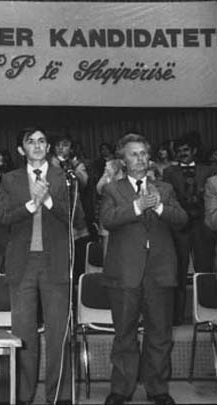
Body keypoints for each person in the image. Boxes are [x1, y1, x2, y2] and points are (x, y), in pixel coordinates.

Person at [100, 133, 187, 405]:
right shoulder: (112, 190)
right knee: (124, 334)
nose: (140, 158)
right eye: (134, 154)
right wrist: (137, 206)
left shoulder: (165, 188)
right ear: (123, 161)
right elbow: (107, 219)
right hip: (125, 272)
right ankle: (121, 389)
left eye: (143, 153)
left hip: (160, 272)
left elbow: (182, 219)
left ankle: (157, 389)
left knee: (159, 334)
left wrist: (158, 206)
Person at [0, 127, 72, 405]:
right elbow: (1, 217)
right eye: (31, 142)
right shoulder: (10, 179)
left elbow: (76, 218)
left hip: (56, 261)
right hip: (22, 262)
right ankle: (22, 394)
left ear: (48, 147)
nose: (37, 146)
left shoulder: (64, 177)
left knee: (58, 332)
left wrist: (48, 200)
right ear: (21, 149)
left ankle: (60, 396)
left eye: (42, 141)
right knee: (23, 333)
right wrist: (31, 205)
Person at [162, 133, 216, 325]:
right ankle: (177, 317)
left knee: (205, 270)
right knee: (178, 271)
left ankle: (208, 317)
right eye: (178, 151)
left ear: (194, 150)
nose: (182, 154)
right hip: (180, 227)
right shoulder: (169, 172)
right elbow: (167, 197)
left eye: (185, 150)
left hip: (202, 226)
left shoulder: (209, 170)